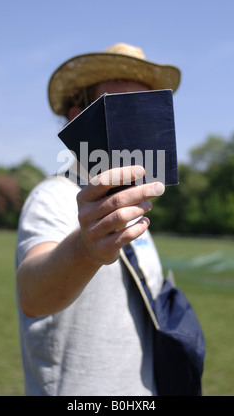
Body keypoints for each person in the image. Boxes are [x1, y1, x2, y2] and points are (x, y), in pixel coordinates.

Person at [15, 43, 181, 396]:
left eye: (144, 108)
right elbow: (32, 295)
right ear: (79, 118)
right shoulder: (53, 196)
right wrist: (85, 249)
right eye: (121, 108)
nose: (135, 123)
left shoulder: (133, 202)